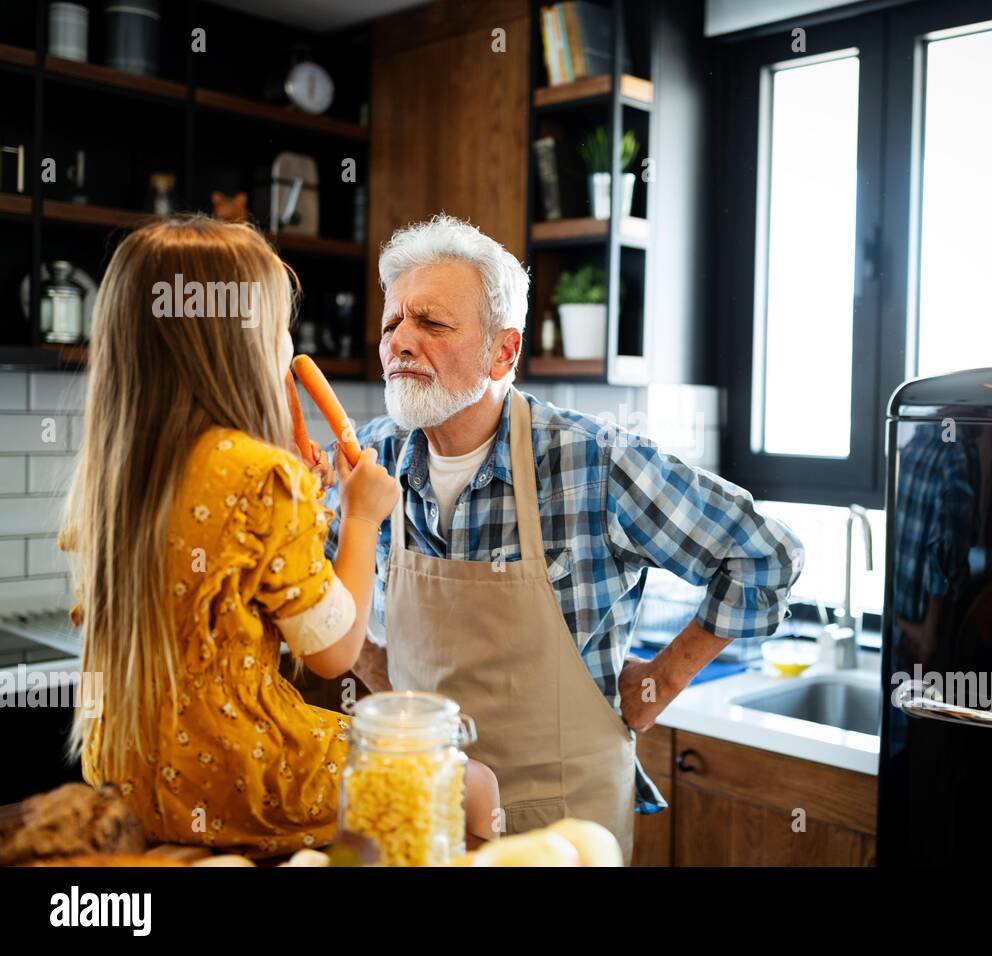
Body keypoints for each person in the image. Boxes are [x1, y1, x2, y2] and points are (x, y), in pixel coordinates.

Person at [325, 214, 804, 862]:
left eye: (431, 324)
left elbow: (765, 554)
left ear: (504, 351)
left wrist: (662, 680)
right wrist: (377, 669)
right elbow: (320, 590)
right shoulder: (370, 461)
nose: (400, 343)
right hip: (426, 815)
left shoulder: (593, 462)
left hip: (561, 828)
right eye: (391, 325)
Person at [63, 215, 498, 857]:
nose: (288, 346)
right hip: (238, 772)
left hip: (130, 772)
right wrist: (360, 517)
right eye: (277, 329)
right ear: (234, 345)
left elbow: (228, 573)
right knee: (476, 784)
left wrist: (309, 498)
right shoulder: (259, 474)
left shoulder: (118, 471)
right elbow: (332, 651)